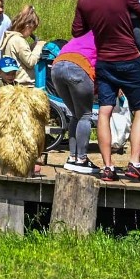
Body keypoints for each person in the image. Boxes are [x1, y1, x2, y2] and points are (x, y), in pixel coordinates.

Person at [72, 0, 140, 182]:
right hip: (130, 60)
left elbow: (77, 31)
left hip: (105, 62)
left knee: (105, 111)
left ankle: (107, 167)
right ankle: (134, 164)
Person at [51, 31, 100, 174]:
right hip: (78, 67)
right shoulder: (105, 34)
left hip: (57, 66)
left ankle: (72, 158)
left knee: (75, 114)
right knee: (85, 115)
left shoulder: (84, 34)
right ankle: (82, 160)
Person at [0, 5, 46, 87]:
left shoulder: (10, 37)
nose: (32, 33)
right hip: (23, 85)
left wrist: (31, 48)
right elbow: (30, 62)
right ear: (27, 26)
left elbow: (20, 58)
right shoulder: (19, 40)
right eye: (32, 29)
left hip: (13, 83)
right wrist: (38, 47)